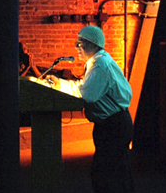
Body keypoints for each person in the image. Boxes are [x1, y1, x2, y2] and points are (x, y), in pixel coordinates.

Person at [45, 25, 134, 193]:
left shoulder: (100, 64)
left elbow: (88, 95)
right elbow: (86, 87)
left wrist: (62, 87)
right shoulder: (96, 62)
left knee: (106, 174)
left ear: (93, 44)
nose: (77, 48)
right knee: (116, 172)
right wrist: (61, 83)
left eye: (80, 44)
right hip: (113, 124)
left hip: (113, 127)